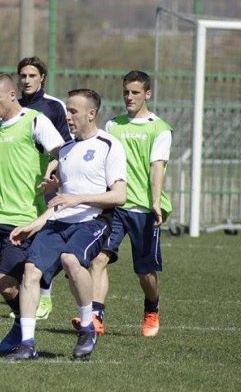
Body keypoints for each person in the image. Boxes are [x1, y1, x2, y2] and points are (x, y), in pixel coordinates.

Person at [5, 89, 127, 361]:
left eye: (73, 111)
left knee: (72, 259)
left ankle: (87, 326)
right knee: (31, 270)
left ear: (91, 114)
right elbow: (61, 201)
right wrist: (36, 224)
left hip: (94, 220)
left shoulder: (110, 144)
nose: (67, 116)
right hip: (60, 221)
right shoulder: (67, 150)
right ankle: (27, 343)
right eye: (67, 110)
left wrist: (78, 198)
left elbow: (119, 196)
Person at [0, 73, 64, 356]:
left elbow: (59, 149)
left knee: (7, 285)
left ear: (11, 95)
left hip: (24, 217)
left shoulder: (35, 121)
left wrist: (52, 169)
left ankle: (22, 324)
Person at [0, 56, 71, 320]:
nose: (27, 80)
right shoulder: (6, 105)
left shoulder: (51, 107)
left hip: (44, 182)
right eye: (23, 76)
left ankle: (44, 298)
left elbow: (63, 145)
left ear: (42, 77)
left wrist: (53, 170)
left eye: (32, 75)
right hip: (16, 186)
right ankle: (20, 289)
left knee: (43, 241)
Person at [87, 70, 173, 338]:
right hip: (116, 207)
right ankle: (96, 317)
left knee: (145, 272)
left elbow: (156, 167)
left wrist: (156, 202)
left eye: (135, 92)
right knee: (98, 260)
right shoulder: (113, 126)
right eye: (126, 92)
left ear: (147, 94)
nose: (129, 97)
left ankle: (152, 308)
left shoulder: (160, 129)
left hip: (145, 210)